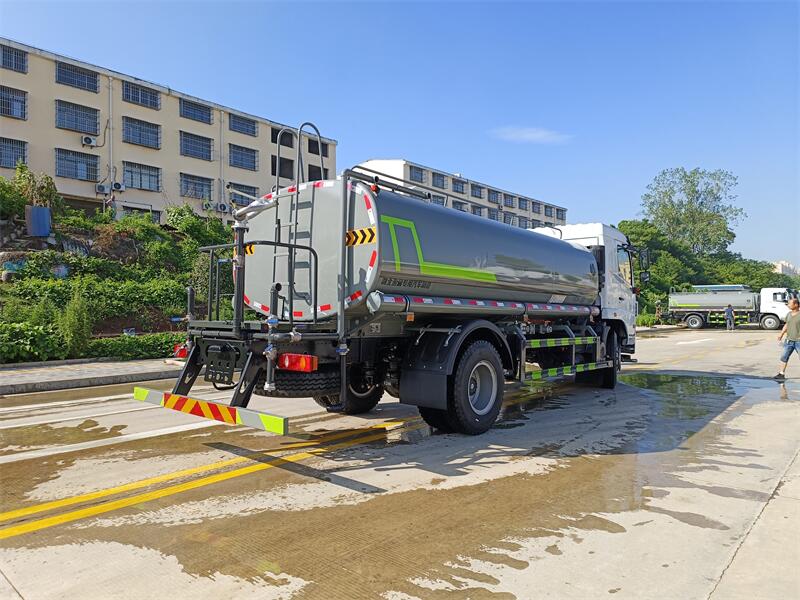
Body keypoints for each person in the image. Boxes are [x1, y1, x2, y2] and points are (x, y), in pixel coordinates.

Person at [775, 297, 800, 381]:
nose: (788, 305)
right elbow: (786, 325)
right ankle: (781, 374)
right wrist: (781, 334)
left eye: (790, 303)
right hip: (789, 340)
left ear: (796, 305)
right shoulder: (789, 314)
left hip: (799, 341)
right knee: (784, 357)